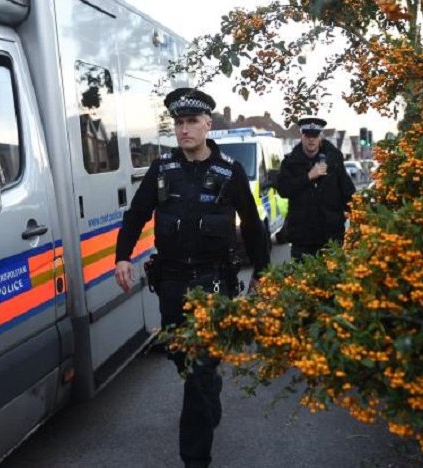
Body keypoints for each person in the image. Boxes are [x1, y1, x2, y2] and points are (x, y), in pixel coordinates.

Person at [114, 88, 270, 468]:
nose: (184, 129)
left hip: (212, 281)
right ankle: (208, 389)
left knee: (198, 368)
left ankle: (195, 458)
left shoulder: (229, 172)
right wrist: (122, 257)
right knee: (183, 358)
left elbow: (252, 225)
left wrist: (261, 272)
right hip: (171, 282)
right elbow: (136, 215)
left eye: (191, 122)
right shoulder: (161, 170)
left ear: (207, 125)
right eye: (179, 123)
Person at [277, 116, 356, 260]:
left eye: (315, 136)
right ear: (301, 136)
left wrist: (358, 220)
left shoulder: (334, 160)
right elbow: (283, 190)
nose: (311, 140)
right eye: (307, 136)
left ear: (320, 137)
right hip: (302, 238)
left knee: (332, 273)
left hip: (331, 237)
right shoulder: (290, 162)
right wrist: (308, 177)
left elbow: (348, 192)